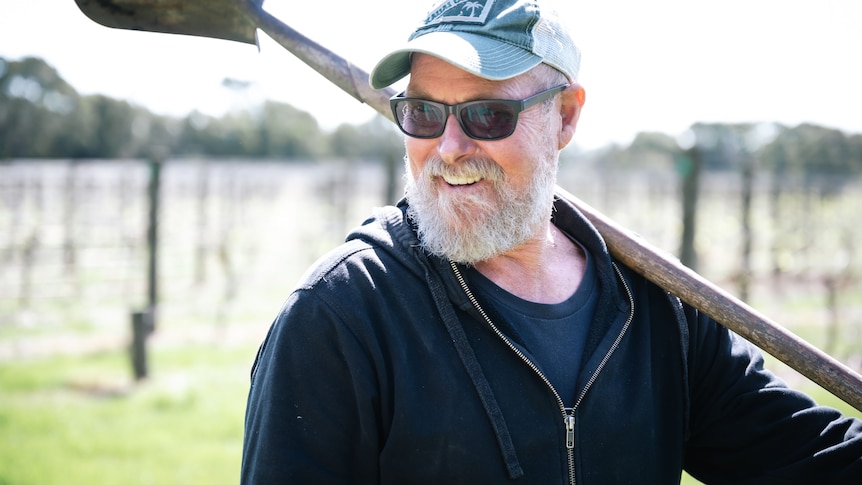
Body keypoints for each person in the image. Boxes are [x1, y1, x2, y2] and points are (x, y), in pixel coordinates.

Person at [241, 0, 862, 483]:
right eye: (425, 113)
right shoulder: (340, 317)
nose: (450, 149)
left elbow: (807, 459)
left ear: (564, 116)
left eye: (488, 115)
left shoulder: (655, 308)